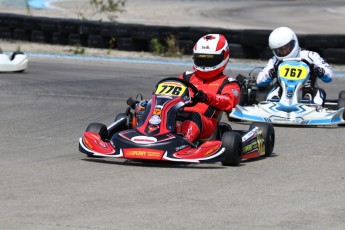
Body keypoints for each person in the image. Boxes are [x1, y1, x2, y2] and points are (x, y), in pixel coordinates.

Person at [176, 34, 241, 143]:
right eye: (201, 58)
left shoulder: (229, 83)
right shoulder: (186, 77)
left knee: (194, 117)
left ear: (223, 57)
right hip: (178, 117)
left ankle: (183, 143)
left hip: (205, 125)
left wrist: (206, 97)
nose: (205, 64)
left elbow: (229, 102)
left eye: (210, 60)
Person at [256, 26, 333, 106]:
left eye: (286, 47)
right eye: (280, 50)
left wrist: (318, 70)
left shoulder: (310, 56)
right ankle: (273, 106)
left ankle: (311, 107)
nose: (284, 51)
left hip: (307, 90)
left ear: (293, 43)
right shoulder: (275, 60)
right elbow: (260, 81)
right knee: (272, 94)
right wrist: (271, 72)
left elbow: (329, 76)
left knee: (319, 97)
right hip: (282, 91)